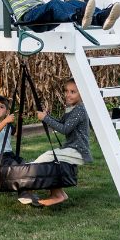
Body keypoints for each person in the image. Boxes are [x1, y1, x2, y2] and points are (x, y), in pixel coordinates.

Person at [30, 77, 92, 207]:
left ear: (82, 93)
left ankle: (29, 186)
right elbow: (62, 123)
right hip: (72, 148)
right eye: (66, 91)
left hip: (77, 150)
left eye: (73, 92)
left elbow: (64, 129)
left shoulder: (79, 110)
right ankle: (58, 193)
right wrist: (47, 117)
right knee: (52, 163)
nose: (68, 95)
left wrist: (46, 118)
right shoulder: (72, 108)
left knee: (44, 158)